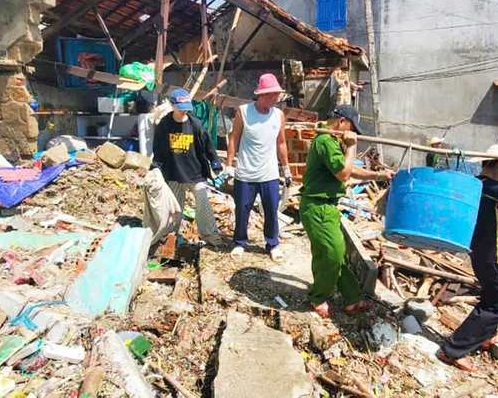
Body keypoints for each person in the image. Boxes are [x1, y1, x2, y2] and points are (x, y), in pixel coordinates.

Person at [438, 144, 498, 372]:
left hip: (487, 252)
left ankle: (486, 335)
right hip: (494, 254)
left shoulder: (481, 185)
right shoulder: (489, 186)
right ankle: (452, 350)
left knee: (492, 296)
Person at [301, 105, 393, 317]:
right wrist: (352, 147)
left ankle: (352, 299)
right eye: (352, 128)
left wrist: (380, 176)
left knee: (338, 254)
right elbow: (344, 174)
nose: (351, 134)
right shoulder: (325, 140)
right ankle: (316, 297)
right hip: (318, 206)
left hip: (327, 206)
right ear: (342, 121)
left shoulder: (331, 140)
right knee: (330, 255)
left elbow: (349, 169)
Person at [224, 74, 291, 262]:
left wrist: (286, 167)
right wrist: (229, 165)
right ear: (262, 95)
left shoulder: (278, 115)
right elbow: (234, 138)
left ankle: (272, 244)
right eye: (273, 95)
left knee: (271, 210)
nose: (276, 98)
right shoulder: (243, 112)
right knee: (242, 209)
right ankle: (239, 242)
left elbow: (281, 143)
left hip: (269, 174)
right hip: (245, 173)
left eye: (278, 95)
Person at [152, 89, 223, 246]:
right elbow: (158, 148)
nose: (183, 111)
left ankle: (209, 233)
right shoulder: (165, 124)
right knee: (175, 207)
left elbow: (207, 145)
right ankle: (170, 235)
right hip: (174, 172)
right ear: (172, 105)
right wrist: (156, 166)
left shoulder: (195, 124)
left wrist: (215, 161)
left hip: (194, 171)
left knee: (203, 201)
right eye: (180, 107)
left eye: (186, 107)